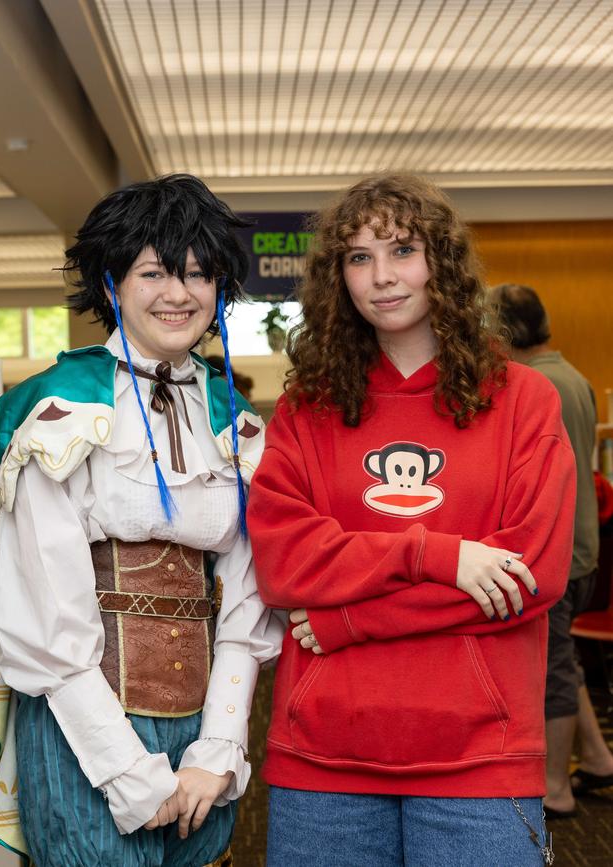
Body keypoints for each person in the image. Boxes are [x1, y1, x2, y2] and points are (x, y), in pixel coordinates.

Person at [247, 173, 577, 867]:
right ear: (339, 277)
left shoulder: (524, 401)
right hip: (325, 757)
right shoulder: (308, 408)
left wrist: (348, 618)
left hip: (481, 758)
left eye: (402, 250)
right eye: (359, 258)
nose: (382, 277)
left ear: (442, 263)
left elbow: (531, 574)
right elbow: (283, 562)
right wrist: (440, 555)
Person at [0, 173, 283, 867]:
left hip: (201, 721)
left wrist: (219, 749)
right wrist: (127, 768)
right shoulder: (60, 409)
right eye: (154, 272)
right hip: (81, 724)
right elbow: (48, 619)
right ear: (112, 282)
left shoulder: (232, 422)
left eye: (199, 274)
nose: (178, 294)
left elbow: (245, 603)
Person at [491, 283, 613, 818]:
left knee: (554, 669)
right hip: (586, 544)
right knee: (564, 658)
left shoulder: (534, 385)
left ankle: (556, 788)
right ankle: (599, 755)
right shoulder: (578, 378)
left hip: (557, 553)